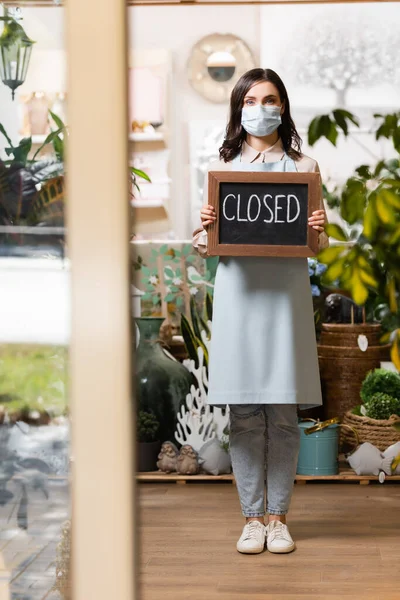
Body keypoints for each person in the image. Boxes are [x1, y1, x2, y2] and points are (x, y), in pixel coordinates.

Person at [192, 68, 329, 555]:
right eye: (251, 100)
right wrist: (205, 226)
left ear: (284, 107)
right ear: (238, 108)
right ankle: (251, 518)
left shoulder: (305, 167)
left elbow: (319, 245)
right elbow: (205, 247)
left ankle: (278, 518)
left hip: (285, 302)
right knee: (245, 413)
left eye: (270, 99)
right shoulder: (221, 169)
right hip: (239, 297)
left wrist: (319, 227)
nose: (261, 108)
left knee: (284, 414)